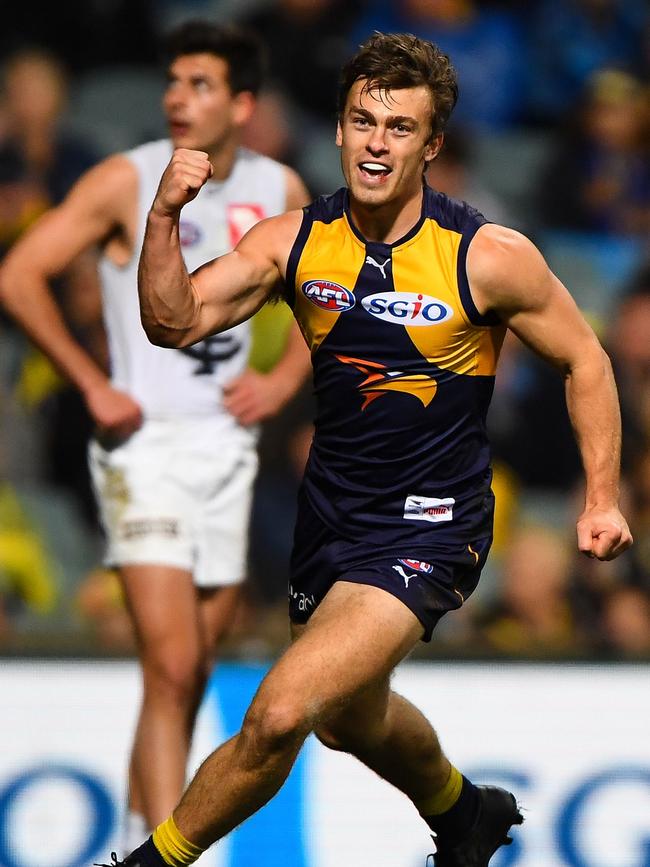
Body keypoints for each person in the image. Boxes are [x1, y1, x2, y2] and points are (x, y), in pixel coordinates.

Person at [105, 32, 632, 867]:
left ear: (432, 146)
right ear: (342, 130)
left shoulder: (485, 257)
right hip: (330, 518)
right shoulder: (297, 242)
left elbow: (586, 358)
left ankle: (145, 861)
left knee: (279, 711)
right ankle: (464, 812)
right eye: (363, 121)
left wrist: (601, 493)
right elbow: (174, 320)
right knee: (351, 718)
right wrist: (164, 217)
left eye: (398, 128)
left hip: (430, 524)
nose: (376, 143)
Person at [0, 20, 311, 856]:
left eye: (200, 84)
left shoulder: (280, 187)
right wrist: (92, 382)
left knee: (190, 673)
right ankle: (161, 855)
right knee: (172, 667)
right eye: (173, 81)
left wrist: (282, 383)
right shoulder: (122, 178)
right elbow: (18, 273)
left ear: (242, 103)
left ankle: (142, 836)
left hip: (227, 450)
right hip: (144, 449)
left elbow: (328, 293)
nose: (177, 97)